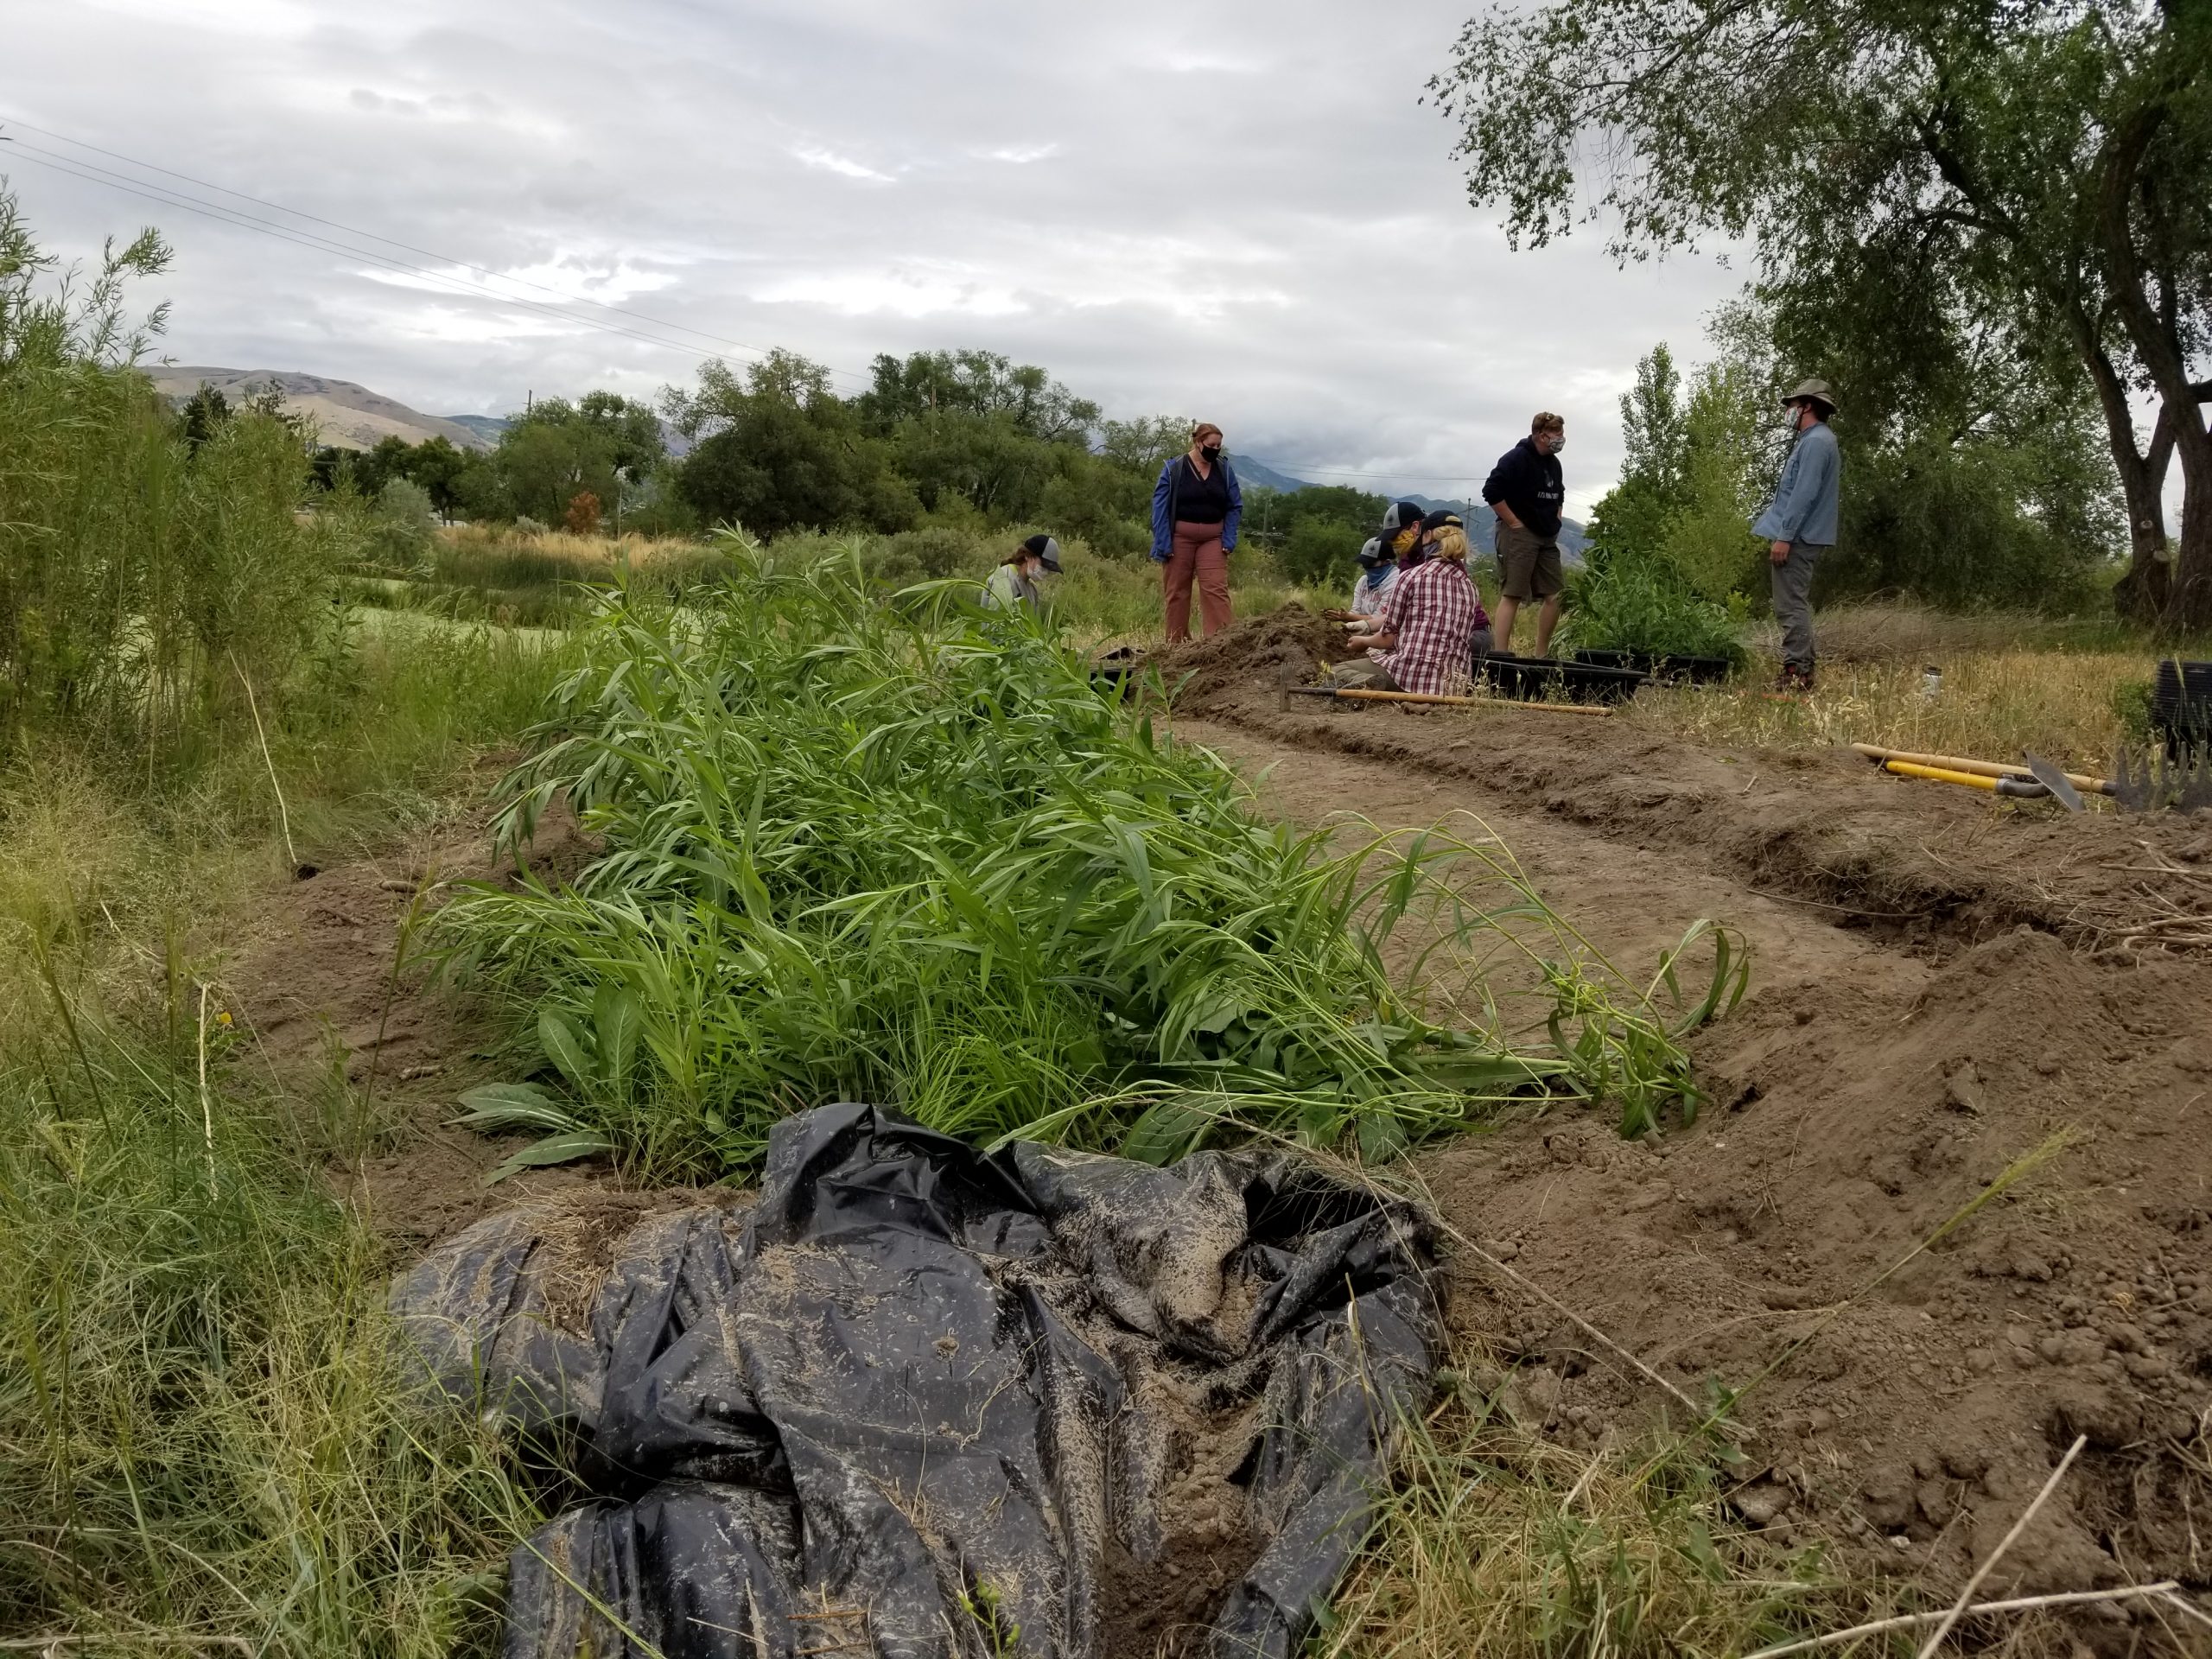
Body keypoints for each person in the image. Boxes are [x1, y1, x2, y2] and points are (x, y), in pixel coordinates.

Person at [1752, 379, 1841, 693]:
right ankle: (1799, 670)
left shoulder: (1817, 442)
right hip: (1800, 536)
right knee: (1791, 604)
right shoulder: (1814, 440)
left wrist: (1785, 536)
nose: (1788, 411)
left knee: (1791, 606)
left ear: (1807, 406)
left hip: (1798, 538)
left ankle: (1798, 674)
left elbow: (1803, 495)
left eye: (1792, 406)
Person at [1334, 515, 1484, 696]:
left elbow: (1387, 639)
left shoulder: (1411, 577)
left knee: (1335, 671)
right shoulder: (1470, 587)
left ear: (1427, 536)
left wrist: (1363, 641)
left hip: (1411, 674)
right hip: (1453, 685)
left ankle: (1368, 684)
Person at [1482, 411, 1567, 658]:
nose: (1561, 439)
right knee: (1513, 594)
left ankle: (1541, 656)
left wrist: (1557, 519)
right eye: (1557, 434)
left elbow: (1560, 494)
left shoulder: (1554, 463)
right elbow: (1491, 491)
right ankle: (1501, 656)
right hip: (1520, 533)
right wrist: (1514, 523)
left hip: (1546, 535)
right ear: (1542, 435)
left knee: (1556, 596)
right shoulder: (1516, 458)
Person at [1150, 423, 1243, 643]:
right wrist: (1164, 542)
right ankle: (1176, 645)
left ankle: (1220, 644)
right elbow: (1159, 507)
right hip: (1179, 537)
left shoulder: (1224, 470)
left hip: (1213, 538)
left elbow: (1235, 506)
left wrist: (1229, 538)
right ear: (1197, 442)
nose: (1216, 449)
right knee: (1177, 592)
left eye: (1219, 446)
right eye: (1211, 445)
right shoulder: (1174, 469)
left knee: (1216, 590)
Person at [981, 534, 1061, 616]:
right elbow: (996, 622)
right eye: (1043, 565)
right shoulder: (1004, 579)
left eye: (1049, 568)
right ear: (1028, 556)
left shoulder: (1032, 590)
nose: (1046, 571)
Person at [1346, 537, 1396, 622]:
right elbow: (1355, 611)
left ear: (1386, 561)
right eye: (1364, 563)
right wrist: (1344, 615)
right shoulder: (1363, 581)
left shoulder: (1395, 582)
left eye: (1370, 563)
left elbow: (1379, 618)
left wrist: (1349, 617)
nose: (1366, 567)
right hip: (1363, 630)